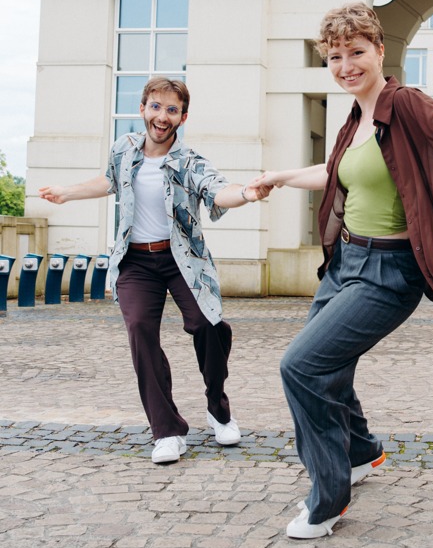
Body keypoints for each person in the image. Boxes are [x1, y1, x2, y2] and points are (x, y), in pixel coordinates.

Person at [247, 2, 433, 539]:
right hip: (345, 262)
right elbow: (336, 173)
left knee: (301, 367)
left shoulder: (405, 103)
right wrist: (281, 175)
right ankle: (359, 452)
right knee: (330, 365)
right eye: (335, 56)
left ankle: (328, 499)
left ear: (379, 51)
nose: (346, 65)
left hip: (389, 272)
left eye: (356, 52)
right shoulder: (356, 118)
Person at [39, 77, 268, 465]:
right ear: (143, 109)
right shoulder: (124, 148)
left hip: (182, 260)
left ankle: (218, 406)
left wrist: (246, 193)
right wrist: (67, 192)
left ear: (183, 118)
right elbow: (108, 180)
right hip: (135, 262)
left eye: (172, 110)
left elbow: (217, 190)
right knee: (140, 331)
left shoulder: (189, 161)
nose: (162, 117)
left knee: (208, 325)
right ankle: (167, 430)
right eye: (156, 107)